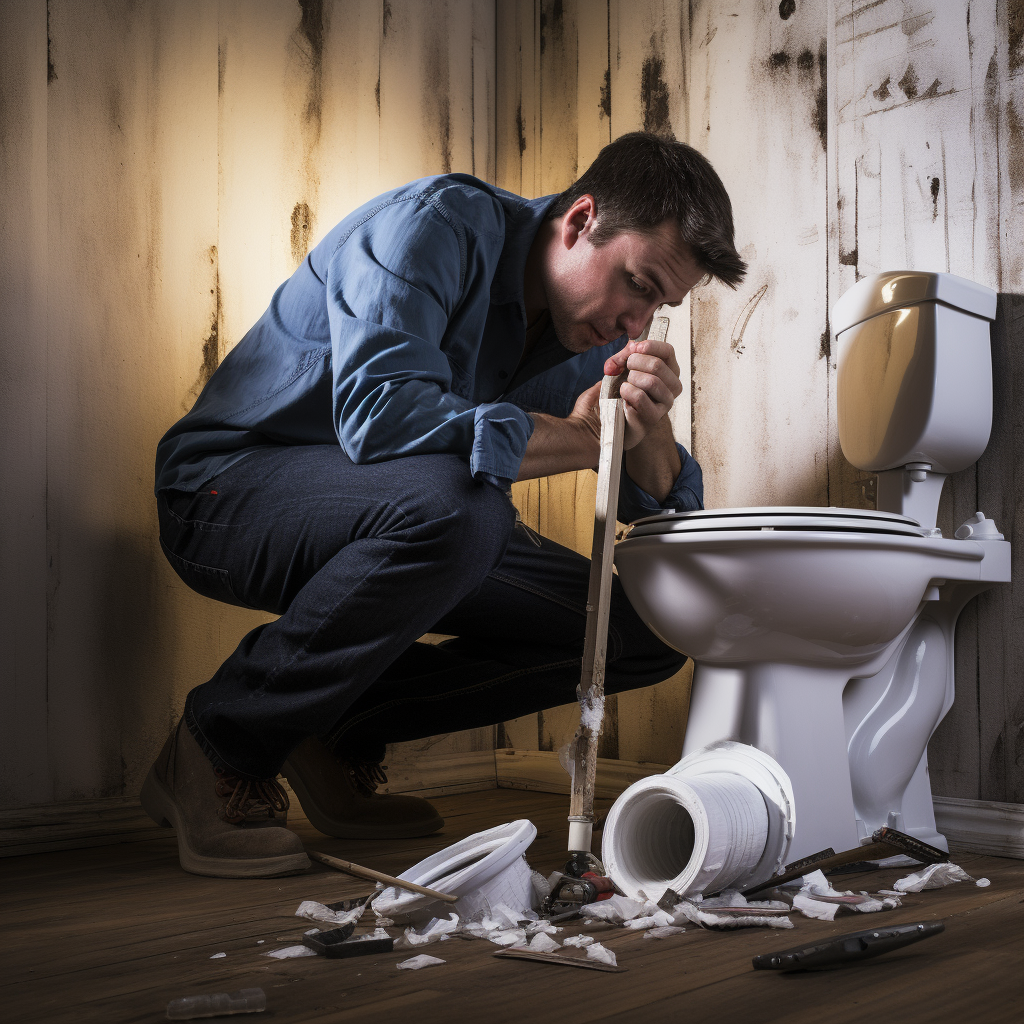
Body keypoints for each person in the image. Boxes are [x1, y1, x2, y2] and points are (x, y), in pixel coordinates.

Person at [142, 131, 747, 878]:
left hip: (420, 515)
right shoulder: (432, 228)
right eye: (640, 284)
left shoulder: (589, 331)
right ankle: (218, 743)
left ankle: (329, 727)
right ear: (581, 220)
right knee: (464, 509)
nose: (637, 322)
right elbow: (382, 417)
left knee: (646, 630)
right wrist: (588, 433)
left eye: (660, 304)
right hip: (223, 495)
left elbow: (657, 505)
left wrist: (646, 424)